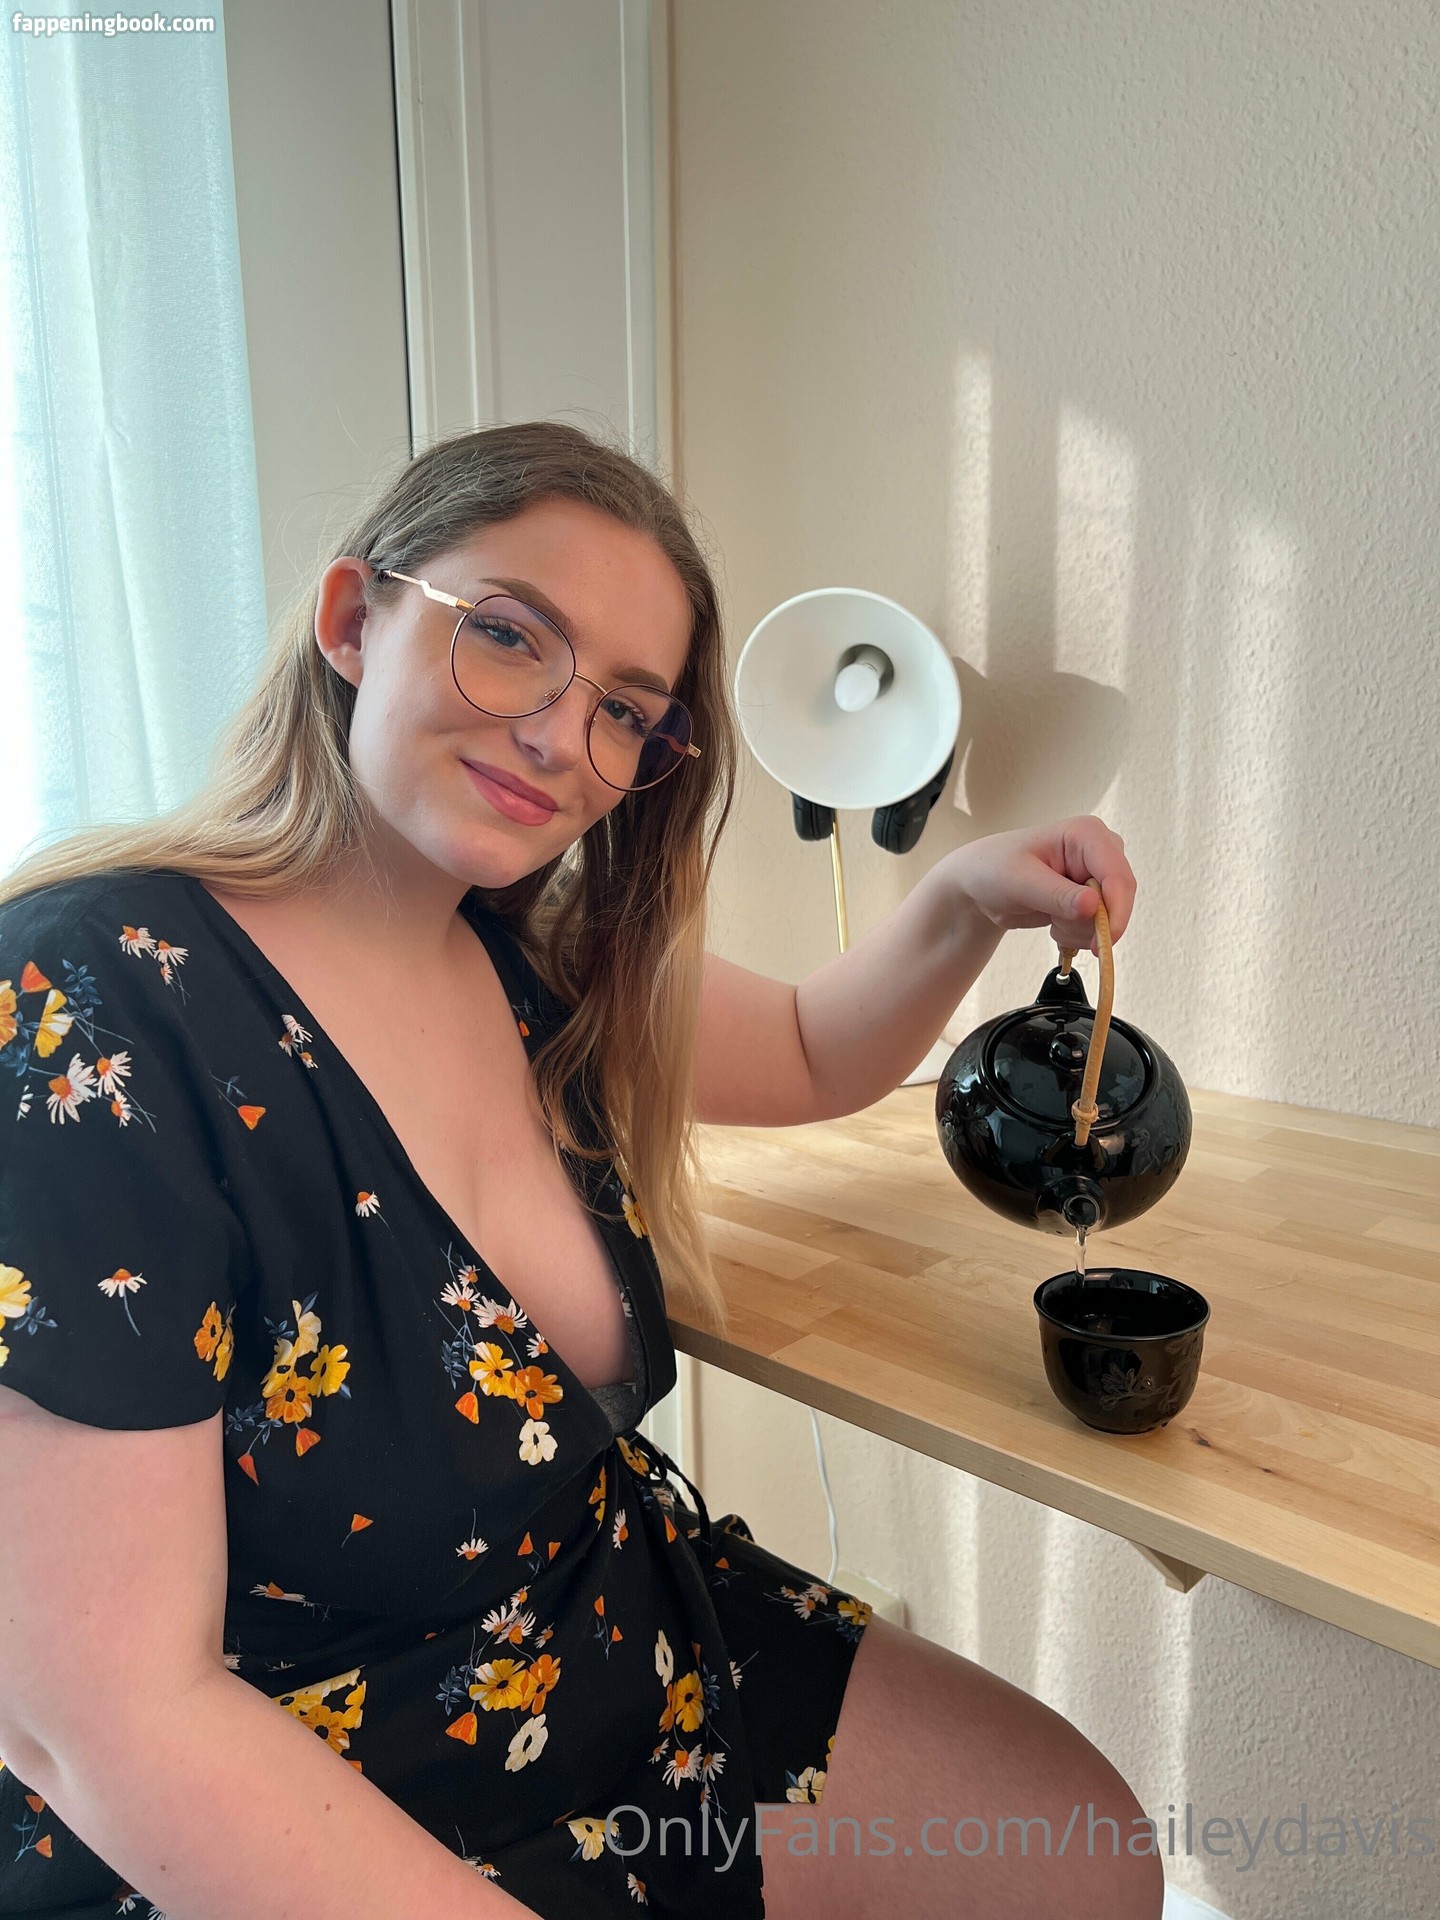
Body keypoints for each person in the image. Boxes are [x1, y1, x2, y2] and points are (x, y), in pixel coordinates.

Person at [0, 420, 1161, 1919]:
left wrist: (962, 898)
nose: (561, 738)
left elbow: (808, 1048)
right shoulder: (91, 1010)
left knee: (1080, 1854)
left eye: (626, 710)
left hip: (599, 1633)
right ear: (354, 620)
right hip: (281, 1782)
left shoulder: (530, 963)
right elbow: (104, 1718)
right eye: (508, 637)